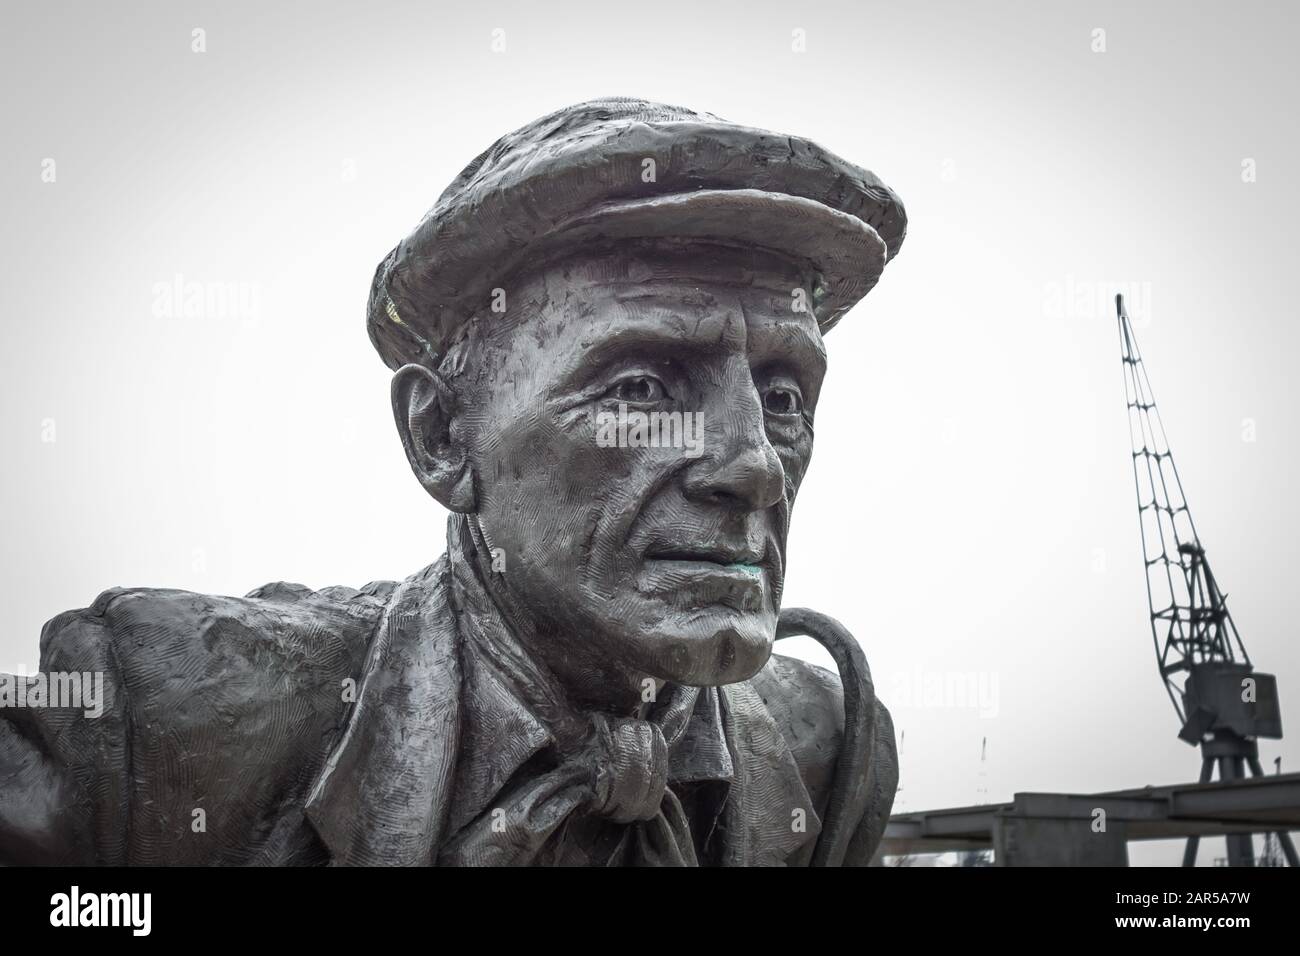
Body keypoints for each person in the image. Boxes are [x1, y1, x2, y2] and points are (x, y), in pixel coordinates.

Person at [0, 97, 906, 866]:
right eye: (641, 387)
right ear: (440, 438)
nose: (751, 464)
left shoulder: (829, 747)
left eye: (783, 396)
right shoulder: (152, 722)